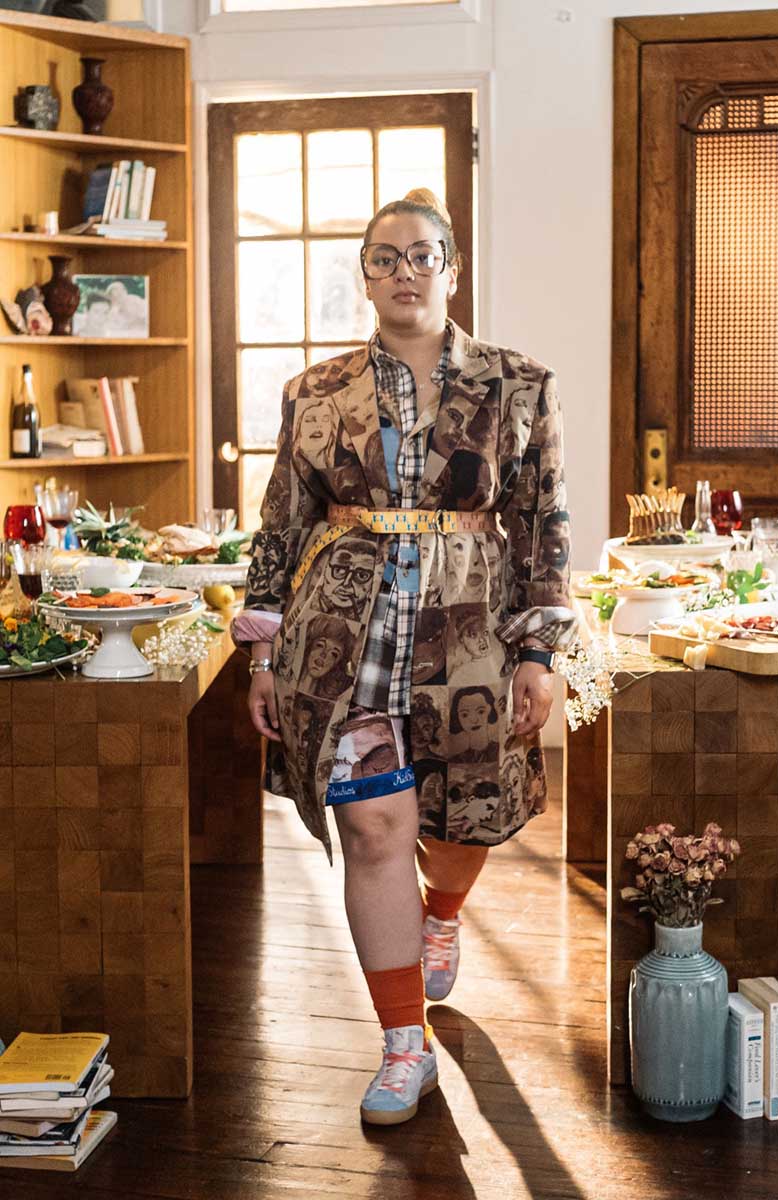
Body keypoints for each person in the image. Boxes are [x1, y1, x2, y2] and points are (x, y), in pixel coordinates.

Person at [233, 187, 576, 1126]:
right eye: (384, 258)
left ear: (451, 270)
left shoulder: (519, 384)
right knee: (376, 829)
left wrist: (539, 649)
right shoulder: (315, 392)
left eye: (423, 255)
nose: (404, 272)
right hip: (345, 637)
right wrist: (262, 650)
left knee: (463, 822)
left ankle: (442, 913)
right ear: (366, 277)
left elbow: (543, 522)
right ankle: (402, 1045)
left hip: (472, 634)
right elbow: (280, 524)